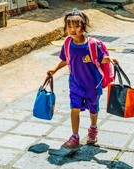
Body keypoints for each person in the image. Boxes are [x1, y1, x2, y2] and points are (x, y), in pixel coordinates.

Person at [47, 9, 118, 151]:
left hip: (92, 85)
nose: (72, 30)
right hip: (75, 84)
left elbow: (100, 58)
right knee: (74, 109)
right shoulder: (67, 43)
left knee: (93, 109)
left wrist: (108, 59)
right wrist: (54, 70)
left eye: (76, 26)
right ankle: (75, 137)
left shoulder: (92, 44)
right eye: (69, 26)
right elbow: (65, 60)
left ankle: (93, 128)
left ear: (83, 27)